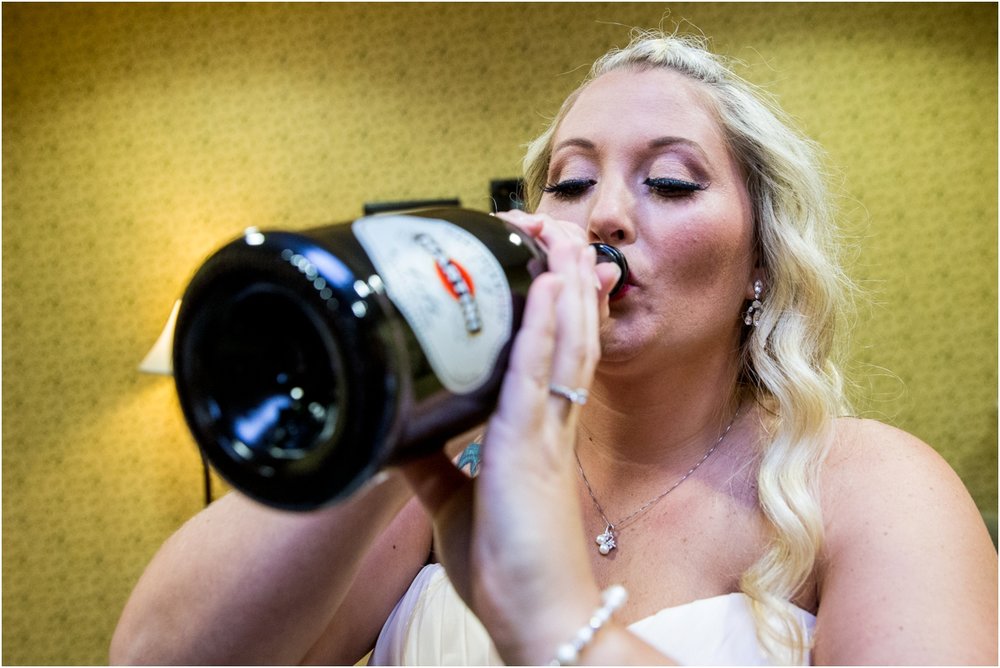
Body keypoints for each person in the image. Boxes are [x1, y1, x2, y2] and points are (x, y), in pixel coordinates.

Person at [110, 30, 998, 665]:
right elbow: (159, 658)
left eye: (670, 182)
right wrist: (402, 388)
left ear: (760, 261)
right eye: (570, 182)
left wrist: (558, 625)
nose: (603, 213)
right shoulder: (444, 475)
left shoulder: (873, 488)